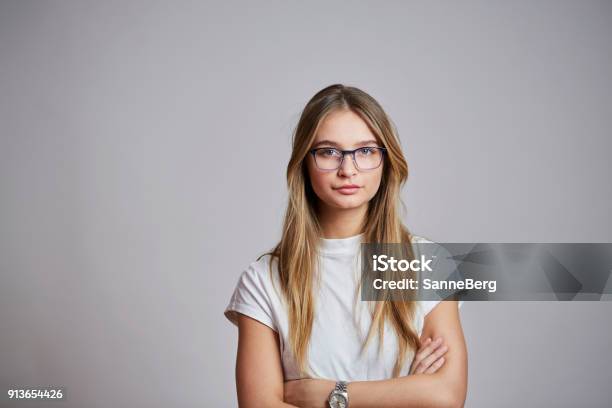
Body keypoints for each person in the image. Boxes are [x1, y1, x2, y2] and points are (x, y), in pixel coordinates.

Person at [224, 84, 468, 407]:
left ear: (385, 160)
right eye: (328, 151)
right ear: (304, 162)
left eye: (365, 151)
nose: (348, 169)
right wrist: (405, 393)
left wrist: (329, 394)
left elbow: (446, 398)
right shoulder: (263, 281)